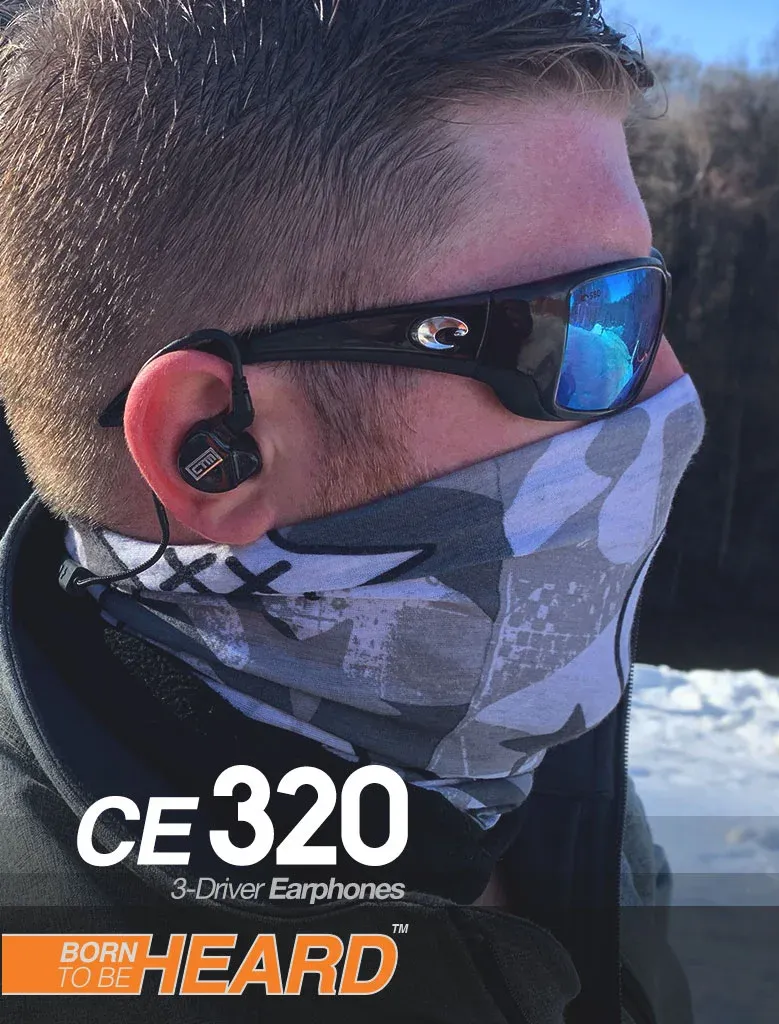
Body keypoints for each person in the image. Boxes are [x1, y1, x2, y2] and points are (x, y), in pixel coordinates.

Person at [0, 1, 705, 1021]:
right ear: (217, 445)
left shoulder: (521, 729)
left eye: (648, 300)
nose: (669, 382)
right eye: (587, 322)